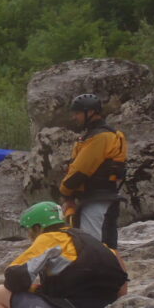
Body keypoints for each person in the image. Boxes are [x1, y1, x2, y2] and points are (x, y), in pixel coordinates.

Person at [59, 93, 128, 248]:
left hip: (96, 201)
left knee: (92, 248)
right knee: (108, 248)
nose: (74, 117)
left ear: (90, 112)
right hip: (103, 198)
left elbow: (80, 171)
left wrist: (65, 192)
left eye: (77, 113)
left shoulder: (100, 137)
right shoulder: (99, 135)